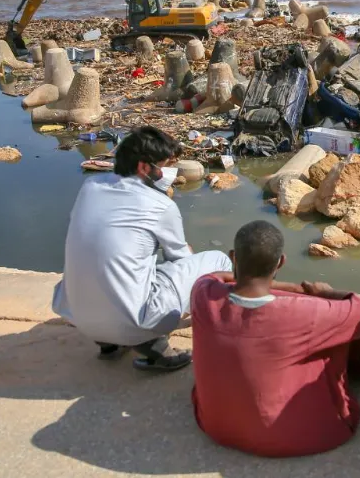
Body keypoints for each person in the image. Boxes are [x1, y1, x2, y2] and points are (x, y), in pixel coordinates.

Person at [190, 220, 360, 458]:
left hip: (217, 427)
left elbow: (216, 277)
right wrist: (319, 292)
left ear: (232, 257)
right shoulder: (305, 313)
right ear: (281, 262)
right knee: (345, 332)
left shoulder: (203, 294)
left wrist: (281, 286)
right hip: (298, 438)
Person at [52, 126, 232, 372]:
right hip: (131, 323)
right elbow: (179, 258)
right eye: (162, 165)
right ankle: (172, 342)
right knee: (219, 261)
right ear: (144, 168)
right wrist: (184, 252)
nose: (165, 172)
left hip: (78, 316)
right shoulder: (159, 205)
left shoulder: (90, 187)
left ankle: (109, 343)